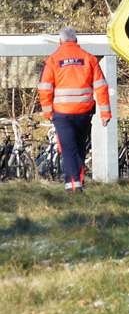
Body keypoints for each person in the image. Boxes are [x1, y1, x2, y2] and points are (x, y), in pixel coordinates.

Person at [38, 28, 111, 192]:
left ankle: (73, 185)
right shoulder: (89, 59)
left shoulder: (53, 60)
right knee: (78, 147)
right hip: (84, 113)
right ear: (76, 41)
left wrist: (48, 112)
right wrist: (105, 114)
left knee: (68, 149)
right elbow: (101, 87)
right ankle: (78, 182)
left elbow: (44, 88)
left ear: (60, 42)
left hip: (62, 113)